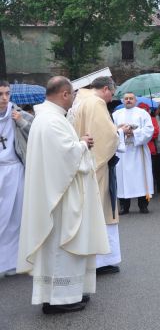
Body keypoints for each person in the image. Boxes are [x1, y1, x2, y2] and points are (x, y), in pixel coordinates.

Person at [17, 77, 109, 314]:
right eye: (74, 95)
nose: (75, 100)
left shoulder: (50, 117)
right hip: (60, 198)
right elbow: (64, 156)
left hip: (58, 193)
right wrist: (83, 144)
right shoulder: (50, 121)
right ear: (65, 94)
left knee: (63, 247)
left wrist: (77, 144)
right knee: (62, 247)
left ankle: (67, 294)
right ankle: (59, 298)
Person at [68, 76, 120, 274]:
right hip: (96, 165)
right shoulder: (96, 103)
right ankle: (101, 261)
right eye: (111, 95)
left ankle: (96, 260)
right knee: (102, 210)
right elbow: (108, 136)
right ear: (105, 89)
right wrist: (120, 133)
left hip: (83, 161)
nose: (110, 100)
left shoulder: (80, 100)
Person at [0, 81, 32, 277]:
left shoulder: (17, 112)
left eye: (7, 93)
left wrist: (22, 122)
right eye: (0, 94)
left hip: (15, 169)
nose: (4, 98)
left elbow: (37, 131)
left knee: (16, 217)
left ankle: (12, 262)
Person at [112, 93, 155, 215]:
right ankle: (124, 206)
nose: (128, 100)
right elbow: (110, 130)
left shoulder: (143, 113)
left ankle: (143, 205)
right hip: (122, 151)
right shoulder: (116, 114)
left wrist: (134, 133)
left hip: (138, 150)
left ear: (135, 100)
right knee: (122, 179)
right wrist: (121, 131)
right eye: (126, 99)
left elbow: (149, 129)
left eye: (131, 98)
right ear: (123, 101)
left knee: (141, 178)